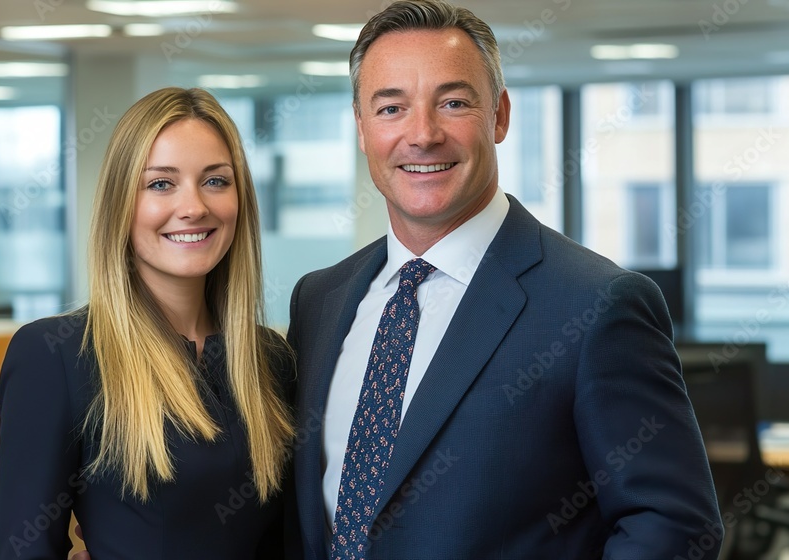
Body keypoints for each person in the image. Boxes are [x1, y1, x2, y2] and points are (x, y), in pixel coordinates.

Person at [285, 1, 723, 559]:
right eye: (391, 107)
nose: (422, 134)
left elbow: (672, 527)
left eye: (453, 102)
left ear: (499, 115)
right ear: (361, 128)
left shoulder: (596, 305)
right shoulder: (320, 299)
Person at [0, 87, 296, 559]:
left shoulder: (272, 360)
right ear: (121, 203)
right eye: (161, 184)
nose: (194, 206)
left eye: (216, 181)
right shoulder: (56, 356)